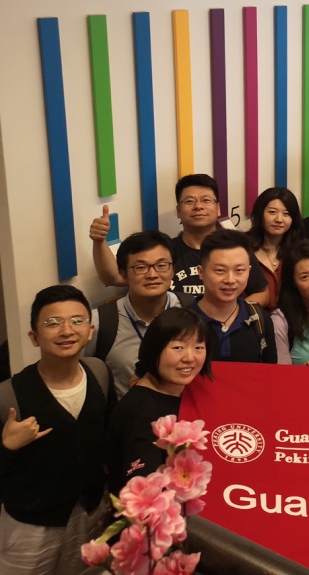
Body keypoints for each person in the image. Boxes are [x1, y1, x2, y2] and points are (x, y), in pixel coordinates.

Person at [0, 285, 112, 575]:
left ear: (90, 330)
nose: (67, 331)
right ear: (34, 337)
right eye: (53, 323)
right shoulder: (8, 395)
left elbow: (108, 438)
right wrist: (7, 447)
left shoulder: (99, 372)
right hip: (30, 525)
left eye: (77, 321)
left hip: (88, 511)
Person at [88, 173, 266, 301]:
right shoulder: (165, 251)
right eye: (189, 201)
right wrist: (99, 241)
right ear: (178, 211)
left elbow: (262, 293)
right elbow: (112, 277)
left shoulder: (235, 249)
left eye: (206, 200)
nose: (198, 206)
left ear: (218, 209)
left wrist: (234, 314)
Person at [104, 308, 212, 493]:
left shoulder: (187, 389)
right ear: (154, 349)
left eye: (198, 347)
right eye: (178, 348)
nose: (189, 358)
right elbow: (147, 494)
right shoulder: (141, 416)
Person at [84, 230, 183, 398]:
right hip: (127, 412)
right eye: (141, 268)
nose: (152, 275)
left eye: (161, 265)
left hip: (185, 412)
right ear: (123, 274)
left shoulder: (189, 310)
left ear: (173, 269)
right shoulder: (100, 322)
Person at [190, 230, 276, 364]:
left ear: (249, 271)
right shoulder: (182, 322)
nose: (230, 280)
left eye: (239, 270)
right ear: (201, 272)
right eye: (220, 270)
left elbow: (269, 373)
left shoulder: (260, 319)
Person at [246, 186, 304, 309]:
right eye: (272, 212)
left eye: (286, 214)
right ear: (260, 213)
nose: (279, 219)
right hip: (252, 317)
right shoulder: (242, 247)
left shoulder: (299, 251)